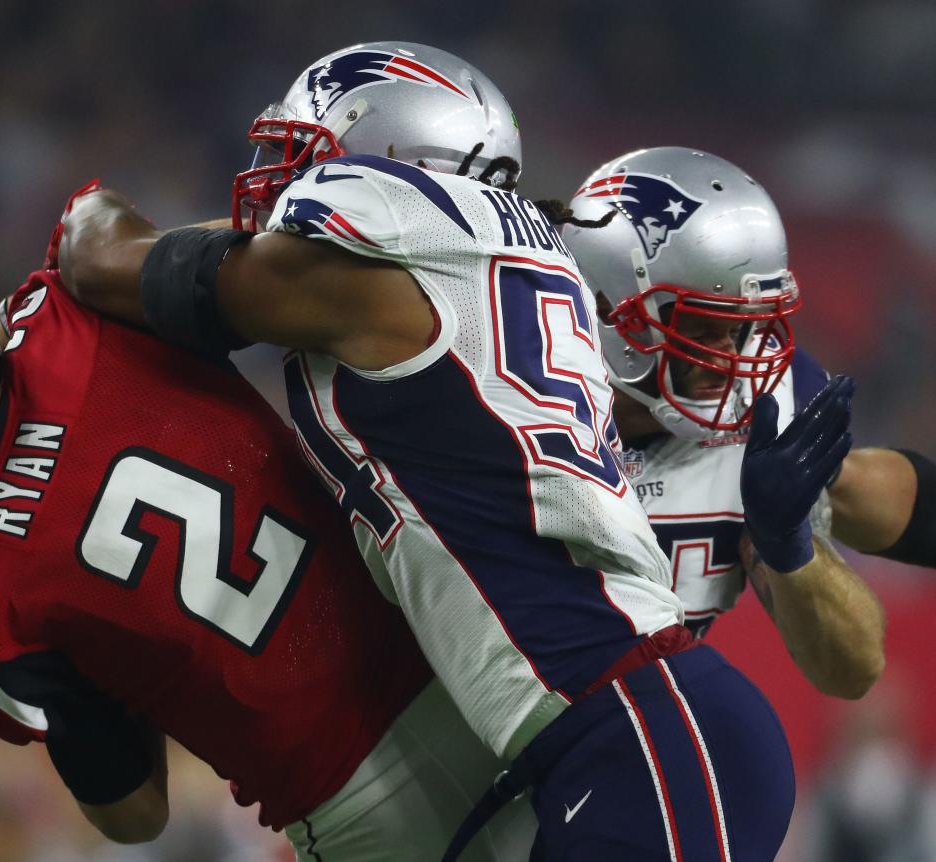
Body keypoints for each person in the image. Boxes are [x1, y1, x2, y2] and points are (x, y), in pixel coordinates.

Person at [57, 41, 844, 860]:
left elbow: (112, 265)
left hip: (637, 732)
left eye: (309, 164)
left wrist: (84, 215)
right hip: (619, 738)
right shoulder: (499, 263)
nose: (280, 187)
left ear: (390, 173)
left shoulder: (364, 290)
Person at [0, 203, 539, 860]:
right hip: (467, 653)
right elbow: (104, 238)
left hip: (356, 804)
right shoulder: (74, 315)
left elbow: (134, 816)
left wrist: (116, 652)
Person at [562, 147, 891, 697]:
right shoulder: (512, 398)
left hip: (627, 736)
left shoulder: (767, 410)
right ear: (604, 307)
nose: (729, 359)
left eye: (742, 328)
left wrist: (790, 545)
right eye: (701, 327)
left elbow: (853, 669)